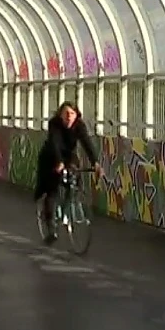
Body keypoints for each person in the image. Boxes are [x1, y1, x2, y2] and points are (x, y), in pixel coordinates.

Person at [34, 101, 101, 244]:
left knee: (74, 180)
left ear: (76, 115)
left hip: (69, 156)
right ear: (60, 115)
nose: (69, 117)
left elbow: (86, 142)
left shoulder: (79, 125)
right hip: (51, 156)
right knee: (51, 189)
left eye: (72, 114)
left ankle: (68, 206)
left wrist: (95, 162)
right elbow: (55, 143)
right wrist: (58, 162)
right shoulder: (54, 124)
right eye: (65, 114)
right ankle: (51, 227)